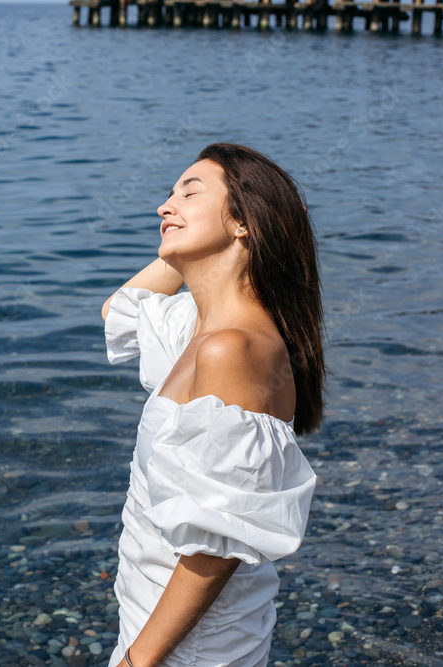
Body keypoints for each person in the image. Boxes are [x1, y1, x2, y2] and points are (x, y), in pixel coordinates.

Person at [100, 142, 325, 667]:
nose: (164, 205)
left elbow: (215, 546)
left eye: (189, 191)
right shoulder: (195, 328)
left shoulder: (233, 349)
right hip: (156, 619)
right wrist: (181, 253)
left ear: (244, 221)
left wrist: (139, 661)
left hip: (189, 647)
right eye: (169, 193)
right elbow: (117, 312)